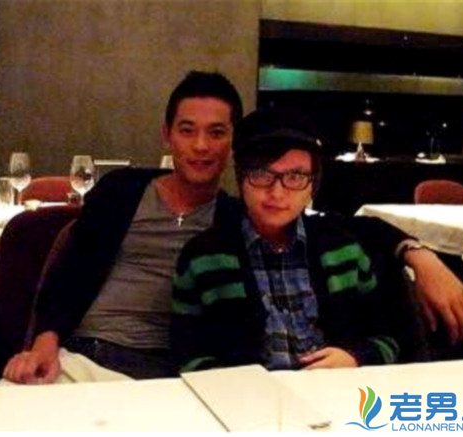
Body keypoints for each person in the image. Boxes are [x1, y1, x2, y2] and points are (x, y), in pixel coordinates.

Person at [3, 71, 463, 384]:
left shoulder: (239, 216)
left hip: (171, 374)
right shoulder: (121, 190)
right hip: (85, 356)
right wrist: (45, 343)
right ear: (167, 134)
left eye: (217, 132)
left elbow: (348, 229)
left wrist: (418, 253)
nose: (201, 146)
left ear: (232, 145)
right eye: (187, 130)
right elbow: (69, 271)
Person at [171, 107, 417, 371]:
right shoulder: (204, 257)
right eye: (261, 174)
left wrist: (355, 358)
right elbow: (186, 352)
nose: (277, 193)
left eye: (295, 176)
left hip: (336, 388)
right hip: (245, 394)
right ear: (241, 178)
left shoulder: (342, 250)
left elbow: (389, 336)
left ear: (312, 185)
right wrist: (232, 381)